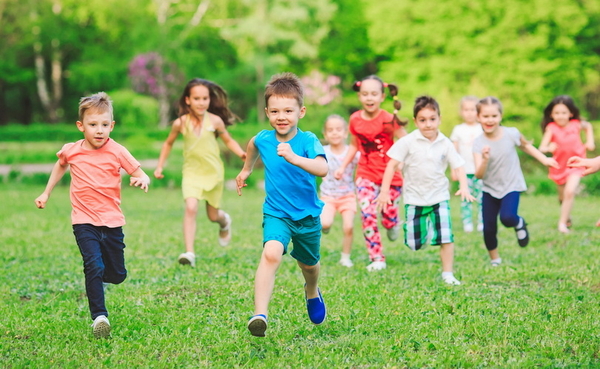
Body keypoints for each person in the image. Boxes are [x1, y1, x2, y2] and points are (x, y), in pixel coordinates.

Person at [34, 92, 150, 338]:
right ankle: (100, 316)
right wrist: (46, 193)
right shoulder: (72, 150)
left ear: (112, 126)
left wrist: (141, 179)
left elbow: (140, 172)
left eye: (105, 125)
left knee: (117, 275)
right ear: (81, 126)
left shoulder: (117, 150)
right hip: (83, 220)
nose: (99, 130)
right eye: (93, 125)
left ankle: (103, 274)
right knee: (93, 265)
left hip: (112, 221)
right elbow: (60, 164)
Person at [236, 72, 328, 337]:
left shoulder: (307, 140)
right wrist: (246, 170)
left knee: (309, 265)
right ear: (267, 112)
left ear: (302, 111)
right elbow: (253, 145)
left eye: (288, 110)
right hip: (277, 213)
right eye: (275, 111)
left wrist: (295, 158)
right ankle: (260, 314)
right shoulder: (265, 139)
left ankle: (311, 291)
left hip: (307, 216)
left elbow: (322, 168)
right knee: (271, 253)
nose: (282, 116)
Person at [376, 96, 473, 285]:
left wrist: (464, 186)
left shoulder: (445, 143)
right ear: (415, 121)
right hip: (414, 199)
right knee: (414, 244)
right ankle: (421, 229)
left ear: (439, 119)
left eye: (432, 119)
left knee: (446, 236)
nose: (428, 124)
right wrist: (384, 192)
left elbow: (459, 166)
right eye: (422, 120)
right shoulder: (408, 141)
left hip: (439, 197)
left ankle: (448, 274)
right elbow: (391, 165)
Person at [154, 78, 246, 267]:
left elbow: (228, 141)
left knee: (213, 216)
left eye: (205, 98)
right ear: (188, 100)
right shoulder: (180, 123)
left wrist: (241, 153)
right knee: (191, 208)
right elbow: (168, 143)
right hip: (191, 173)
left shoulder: (215, 121)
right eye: (197, 98)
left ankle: (224, 221)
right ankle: (189, 253)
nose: (201, 102)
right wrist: (160, 166)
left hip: (213, 173)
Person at [473, 96, 559, 266]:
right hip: (489, 189)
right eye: (485, 116)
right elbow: (479, 175)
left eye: (494, 116)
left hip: (511, 185)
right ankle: (495, 259)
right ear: (478, 117)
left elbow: (526, 146)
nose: (490, 120)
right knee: (489, 228)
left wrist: (544, 160)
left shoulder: (511, 133)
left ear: (500, 116)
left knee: (508, 217)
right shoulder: (478, 143)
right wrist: (484, 159)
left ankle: (519, 223)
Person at [334, 75, 407, 272]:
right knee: (367, 214)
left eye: (374, 94)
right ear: (359, 96)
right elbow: (353, 146)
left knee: (388, 217)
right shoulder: (355, 120)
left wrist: (402, 162)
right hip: (365, 174)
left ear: (382, 96)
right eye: (365, 94)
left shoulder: (389, 120)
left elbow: (406, 141)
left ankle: (393, 223)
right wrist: (342, 166)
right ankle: (377, 257)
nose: (369, 98)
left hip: (391, 177)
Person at [538, 95, 595, 233]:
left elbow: (588, 126)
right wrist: (549, 148)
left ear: (570, 113)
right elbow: (541, 148)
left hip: (576, 163)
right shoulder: (551, 128)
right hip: (558, 166)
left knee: (570, 191)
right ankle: (567, 217)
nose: (560, 116)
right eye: (556, 113)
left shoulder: (576, 124)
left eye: (563, 113)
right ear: (551, 115)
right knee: (562, 197)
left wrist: (590, 141)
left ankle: (562, 224)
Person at [319, 114, 359, 267]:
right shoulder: (322, 151)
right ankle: (326, 227)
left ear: (345, 133)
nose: (334, 133)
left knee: (348, 226)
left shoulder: (352, 152)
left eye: (338, 129)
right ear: (325, 134)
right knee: (325, 223)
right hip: (328, 196)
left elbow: (364, 166)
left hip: (348, 196)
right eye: (330, 130)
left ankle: (345, 257)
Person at [450, 96, 484, 232]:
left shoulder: (482, 128)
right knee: (465, 198)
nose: (470, 113)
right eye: (466, 109)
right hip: (464, 171)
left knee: (482, 198)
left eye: (473, 109)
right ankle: (467, 222)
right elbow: (453, 151)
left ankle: (482, 222)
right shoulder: (458, 129)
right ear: (461, 112)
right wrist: (454, 170)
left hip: (480, 171)